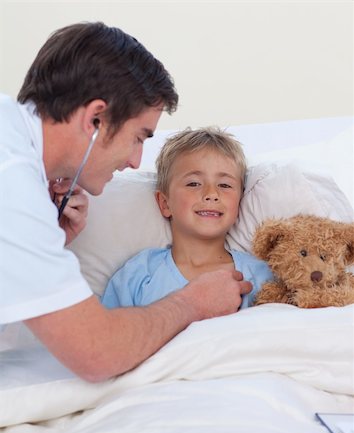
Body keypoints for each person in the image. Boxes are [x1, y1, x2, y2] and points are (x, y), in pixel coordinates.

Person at [0, 22, 252, 383]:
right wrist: (193, 303)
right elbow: (97, 353)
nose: (135, 161)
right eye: (138, 137)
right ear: (95, 119)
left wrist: (47, 241)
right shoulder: (13, 183)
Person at [102, 127, 273, 309]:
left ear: (239, 204)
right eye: (194, 183)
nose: (211, 194)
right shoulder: (138, 274)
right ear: (165, 204)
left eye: (224, 185)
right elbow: (107, 333)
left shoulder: (260, 276)